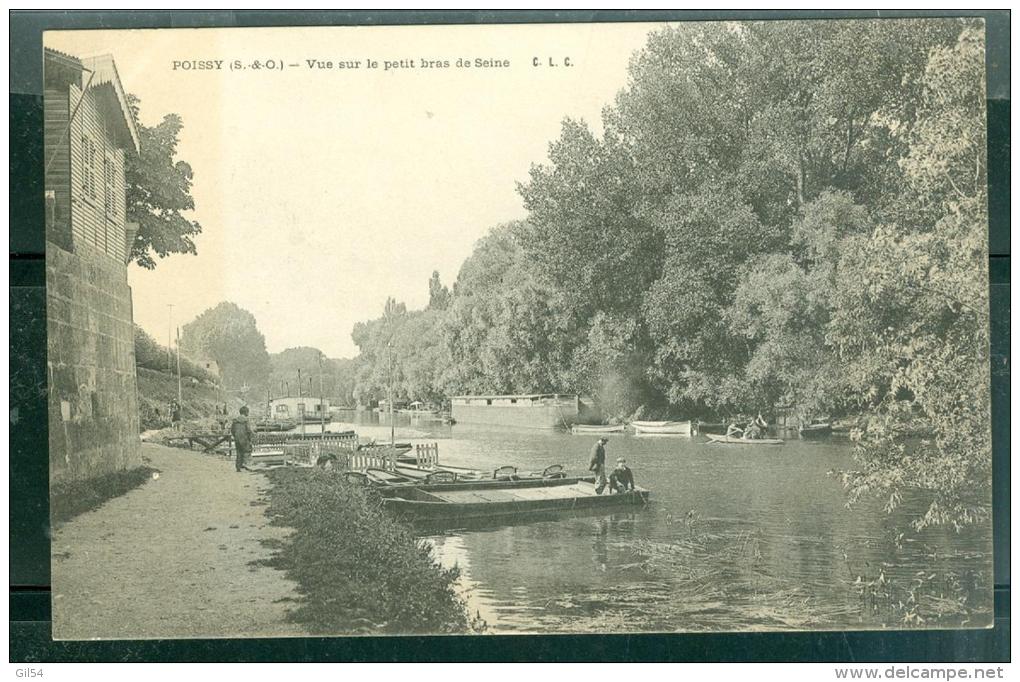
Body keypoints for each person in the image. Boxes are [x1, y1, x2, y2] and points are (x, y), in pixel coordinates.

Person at [231, 406, 255, 472]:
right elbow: (248, 430)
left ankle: (238, 467)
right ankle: (247, 466)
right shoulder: (246, 420)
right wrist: (250, 438)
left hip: (237, 439)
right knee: (247, 452)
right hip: (244, 439)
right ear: (246, 412)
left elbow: (232, 430)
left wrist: (235, 436)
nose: (248, 413)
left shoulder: (235, 420)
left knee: (238, 452)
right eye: (248, 412)